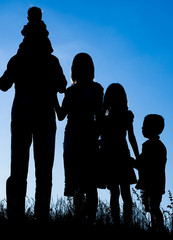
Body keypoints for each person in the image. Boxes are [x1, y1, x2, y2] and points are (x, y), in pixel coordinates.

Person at [0, 6, 67, 222]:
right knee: (43, 172)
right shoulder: (51, 61)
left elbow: (3, 84)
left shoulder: (19, 59)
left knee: (20, 168)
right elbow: (62, 85)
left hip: (22, 116)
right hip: (43, 117)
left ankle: (16, 216)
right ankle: (40, 217)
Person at [55, 52, 104, 223]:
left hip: (81, 138)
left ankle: (85, 218)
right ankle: (85, 218)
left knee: (85, 183)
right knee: (84, 183)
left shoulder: (91, 89)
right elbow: (62, 115)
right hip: (79, 138)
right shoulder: (94, 89)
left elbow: (61, 115)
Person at [101, 83, 139, 225]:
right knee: (125, 193)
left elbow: (131, 137)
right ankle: (125, 223)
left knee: (115, 193)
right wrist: (137, 155)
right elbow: (131, 137)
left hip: (111, 156)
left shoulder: (106, 118)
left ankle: (117, 222)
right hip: (122, 154)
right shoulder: (126, 115)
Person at [135, 114, 167, 230]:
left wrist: (132, 162)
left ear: (152, 128)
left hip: (153, 182)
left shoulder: (152, 146)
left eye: (144, 126)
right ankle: (156, 228)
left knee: (153, 207)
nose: (142, 129)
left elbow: (144, 164)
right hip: (155, 183)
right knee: (151, 207)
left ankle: (159, 228)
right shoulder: (157, 146)